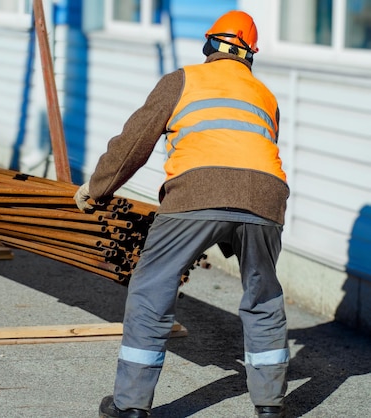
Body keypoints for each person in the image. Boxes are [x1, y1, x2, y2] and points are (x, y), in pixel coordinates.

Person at [73, 10, 290, 418]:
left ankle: (131, 406)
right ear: (249, 56)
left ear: (209, 46)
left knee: (153, 287)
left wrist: (97, 188)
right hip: (266, 198)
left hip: (195, 192)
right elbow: (250, 156)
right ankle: (270, 406)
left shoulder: (183, 79)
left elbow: (133, 142)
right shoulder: (265, 95)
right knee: (262, 297)